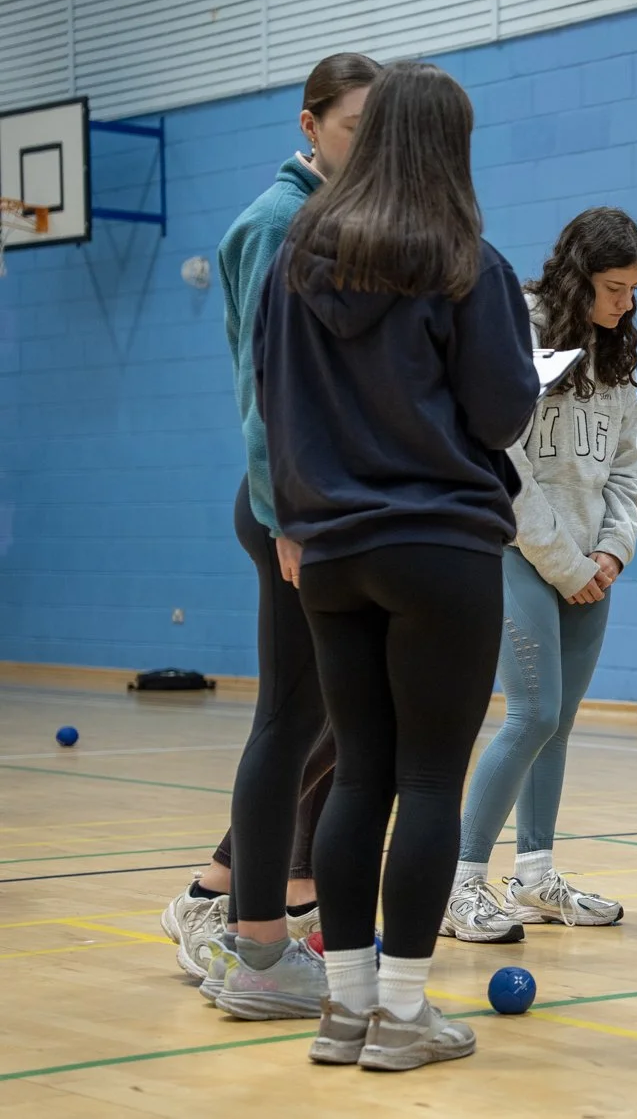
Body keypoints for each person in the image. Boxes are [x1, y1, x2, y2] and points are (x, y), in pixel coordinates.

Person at [254, 60, 538, 1068]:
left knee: (358, 776)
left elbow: (274, 406)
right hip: (438, 547)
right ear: (451, 150)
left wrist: (301, 518)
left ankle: (343, 1009)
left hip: (329, 553)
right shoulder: (468, 263)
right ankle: (406, 1016)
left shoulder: (296, 260)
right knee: (427, 778)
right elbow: (504, 411)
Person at [160, 51, 380, 1005]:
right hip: (290, 510)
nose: (365, 147)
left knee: (331, 718)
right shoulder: (275, 223)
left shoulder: (340, 222)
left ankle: (255, 910)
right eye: (350, 129)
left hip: (336, 508)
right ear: (309, 123)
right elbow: (264, 388)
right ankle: (242, 934)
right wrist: (288, 516)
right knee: (291, 720)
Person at [445, 208, 637, 942]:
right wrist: (566, 564)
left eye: (632, 289)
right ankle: (458, 884)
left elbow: (633, 463)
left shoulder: (611, 351)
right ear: (578, 277)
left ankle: (534, 876)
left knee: (558, 723)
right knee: (530, 714)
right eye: (612, 287)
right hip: (518, 553)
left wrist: (611, 551)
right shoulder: (521, 327)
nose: (624, 302)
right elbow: (507, 460)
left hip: (589, 569)